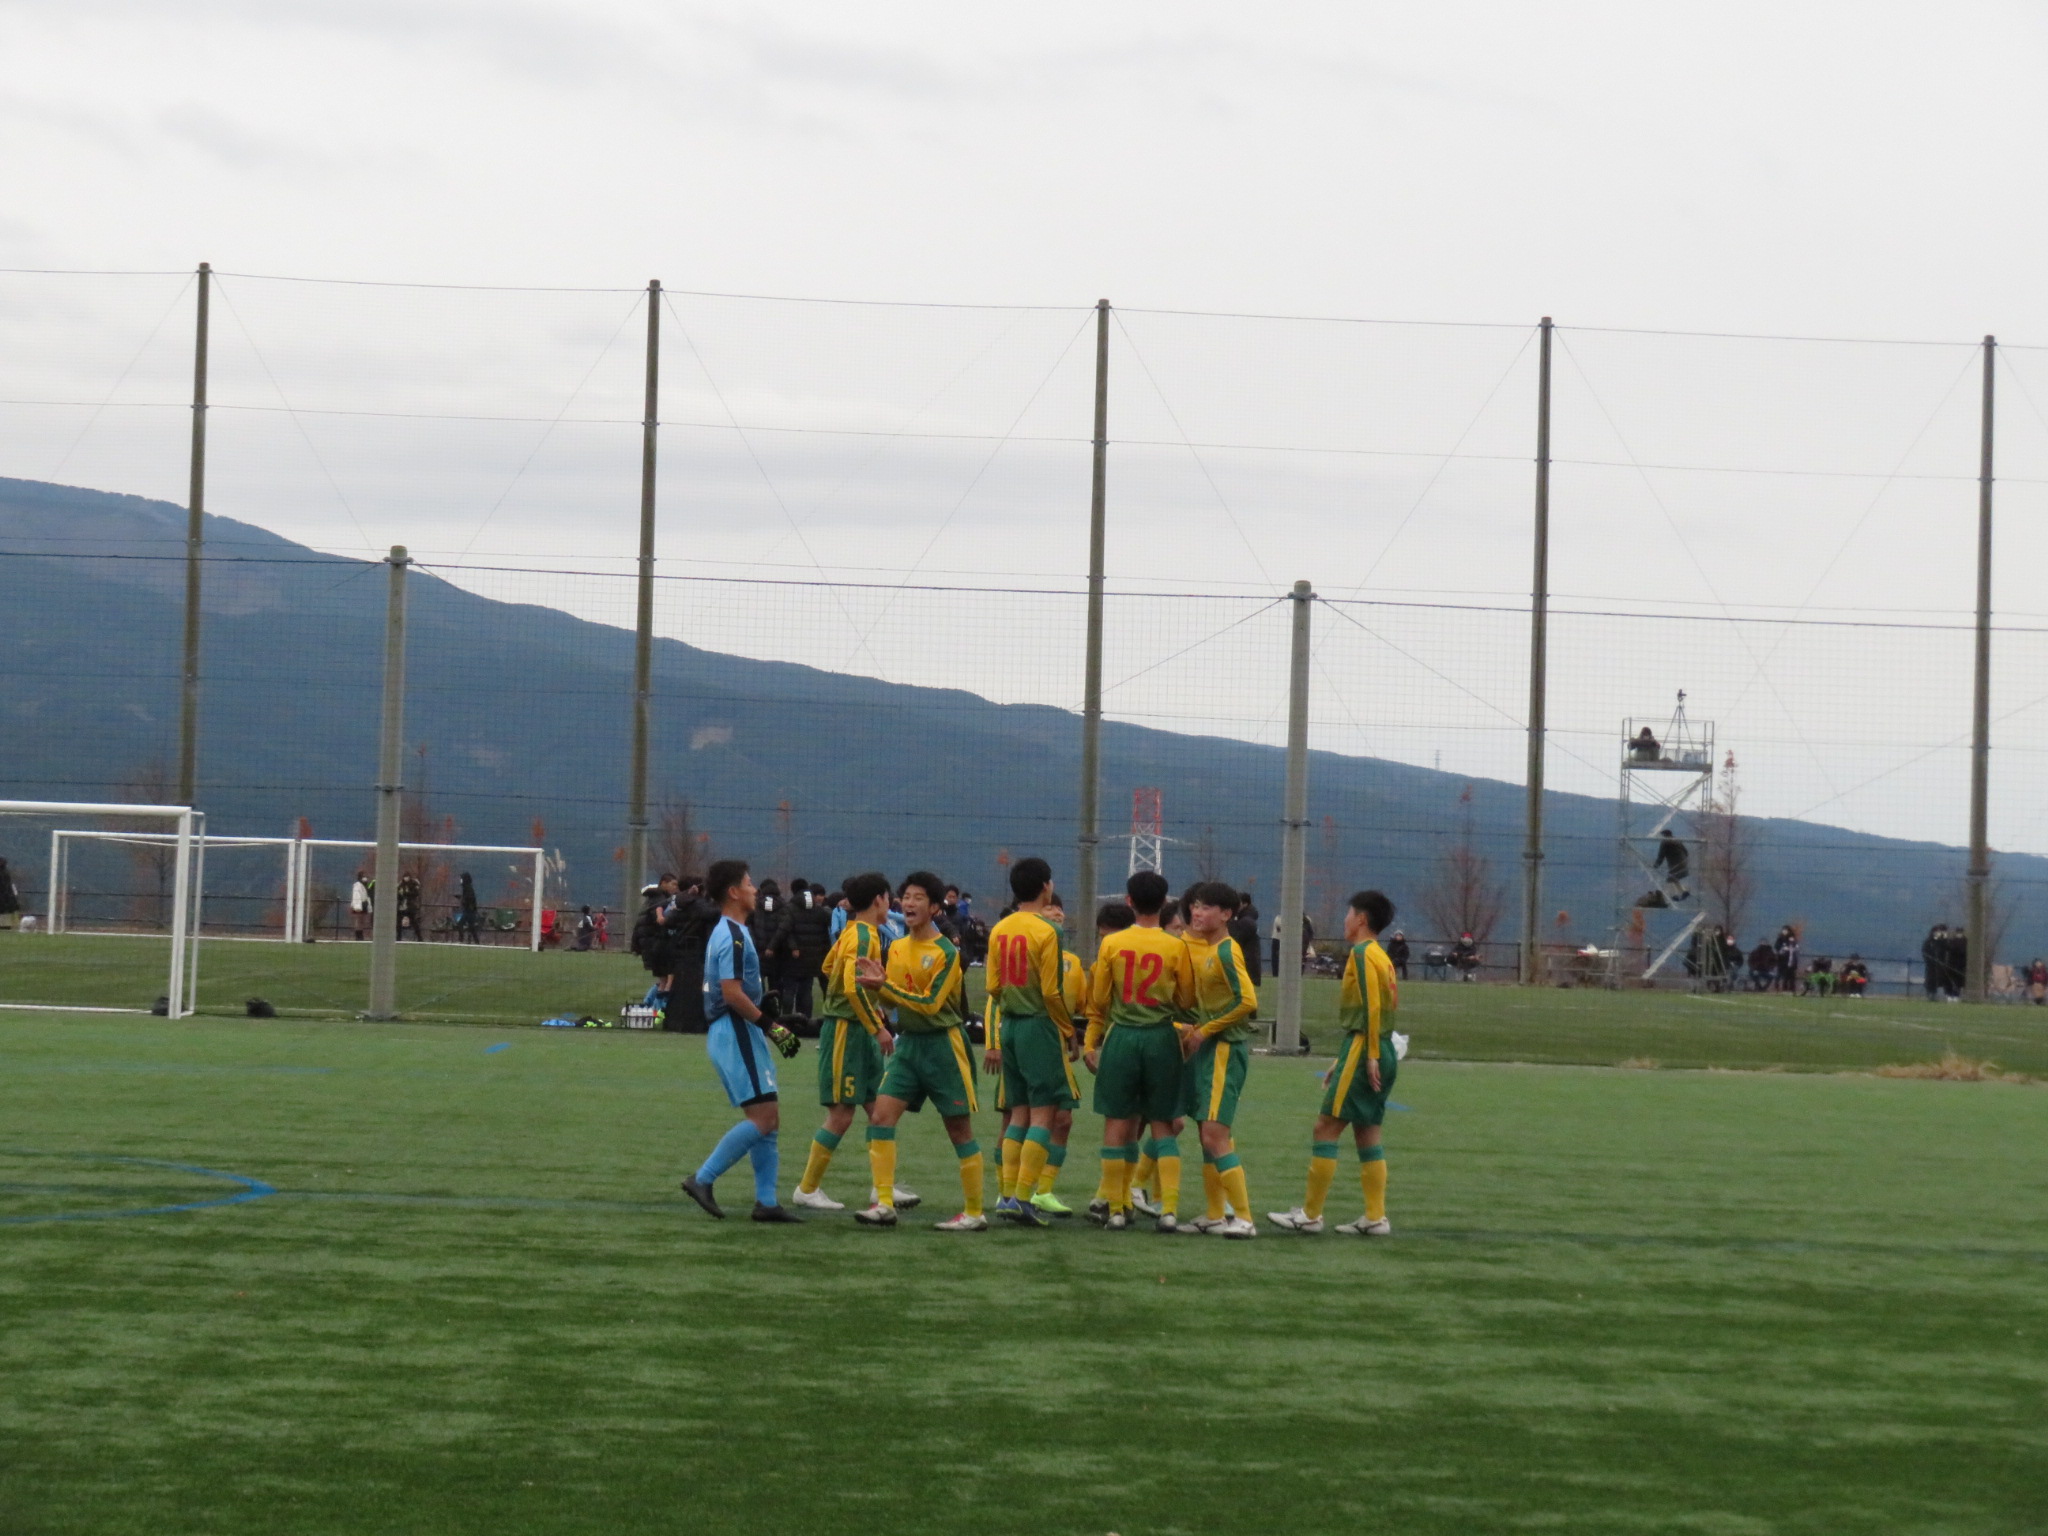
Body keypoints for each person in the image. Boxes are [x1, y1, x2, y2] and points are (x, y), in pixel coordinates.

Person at [850, 871, 986, 1231]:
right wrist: (876, 989)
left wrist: (885, 988)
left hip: (944, 1046)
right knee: (881, 1117)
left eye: (918, 898)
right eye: (906, 897)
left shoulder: (946, 952)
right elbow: (892, 998)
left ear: (935, 907)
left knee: (959, 1130)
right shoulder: (896, 948)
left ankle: (975, 1213)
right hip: (909, 1045)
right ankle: (883, 1204)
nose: (908, 903)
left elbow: (930, 1004)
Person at [678, 860, 803, 1224]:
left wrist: (765, 1008)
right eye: (749, 883)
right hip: (735, 1031)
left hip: (738, 1029)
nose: (754, 889)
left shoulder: (733, 931)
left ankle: (767, 1202)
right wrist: (771, 1026)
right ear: (733, 892)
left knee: (769, 1117)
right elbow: (731, 993)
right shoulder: (731, 934)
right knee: (764, 1118)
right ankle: (702, 1179)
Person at [1271, 888, 1401, 1236]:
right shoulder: (1382, 956)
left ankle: (1311, 1215)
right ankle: (1375, 1216)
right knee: (1367, 1131)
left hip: (1367, 1046)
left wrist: (1367, 1054)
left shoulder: (1362, 953)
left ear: (1361, 919)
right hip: (1380, 1046)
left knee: (1325, 1127)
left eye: (1349, 914)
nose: (1345, 920)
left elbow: (1372, 1005)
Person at [1084, 872, 1195, 1232]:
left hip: (1123, 1036)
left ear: (1129, 901)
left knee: (1118, 1122)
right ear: (1165, 903)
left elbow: (1100, 998)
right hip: (1161, 1037)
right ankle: (1169, 1210)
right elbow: (1186, 1000)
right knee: (1163, 1122)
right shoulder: (1176, 946)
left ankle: (1117, 1208)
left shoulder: (1113, 944)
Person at [792, 872, 898, 1213]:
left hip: (857, 1028)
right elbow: (853, 987)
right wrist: (877, 1026)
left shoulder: (852, 932)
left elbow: (828, 967)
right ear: (879, 899)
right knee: (841, 1113)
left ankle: (883, 1188)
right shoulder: (864, 936)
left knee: (878, 1110)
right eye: (889, 898)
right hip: (846, 1031)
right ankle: (807, 1189)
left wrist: (869, 1008)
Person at [981, 857, 1074, 1229]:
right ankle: (1022, 1197)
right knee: (1043, 1114)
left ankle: (1006, 1195)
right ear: (1046, 886)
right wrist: (1068, 1029)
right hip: (1038, 1025)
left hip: (1010, 1026)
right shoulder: (1048, 931)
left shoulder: (1000, 928)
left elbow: (992, 986)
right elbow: (1052, 992)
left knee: (1017, 1112)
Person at [1181, 882, 1260, 1238]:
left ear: (1226, 914)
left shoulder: (1228, 951)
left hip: (1226, 1050)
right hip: (1211, 1050)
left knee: (1215, 1135)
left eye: (1206, 907)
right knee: (1205, 1134)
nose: (1197, 913)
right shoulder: (1212, 949)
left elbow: (1248, 1001)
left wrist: (1206, 1030)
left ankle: (1243, 1218)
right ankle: (1215, 1214)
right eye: (1195, 906)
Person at [783, 879, 835, 1020]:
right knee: (806, 989)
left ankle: (786, 1019)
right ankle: (806, 1020)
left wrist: (792, 947)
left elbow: (785, 931)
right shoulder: (820, 911)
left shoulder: (790, 909)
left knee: (789, 989)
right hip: (814, 956)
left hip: (793, 956)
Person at [1230, 894, 1263, 988]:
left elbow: (1236, 939)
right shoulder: (1246, 919)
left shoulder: (1246, 922)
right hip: (1249, 961)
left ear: (1244, 904)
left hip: (1247, 962)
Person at [1653, 830, 1689, 899]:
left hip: (1675, 863)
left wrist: (1656, 865)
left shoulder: (1665, 842)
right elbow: (1686, 852)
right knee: (1674, 878)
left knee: (1670, 879)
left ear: (1664, 835)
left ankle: (1675, 895)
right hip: (1683, 862)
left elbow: (1661, 855)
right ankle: (1683, 891)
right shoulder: (1677, 840)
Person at [1921, 924, 1947, 1000]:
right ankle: (1930, 993)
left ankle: (1934, 994)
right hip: (1930, 965)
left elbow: (1944, 949)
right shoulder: (1928, 942)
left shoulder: (1940, 941)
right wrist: (1930, 960)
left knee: (1937, 979)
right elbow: (1925, 952)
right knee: (1930, 979)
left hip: (1938, 965)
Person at [456, 872, 481, 944]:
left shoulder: (468, 888)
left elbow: (470, 899)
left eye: (461, 879)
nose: (460, 880)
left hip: (469, 911)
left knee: (460, 924)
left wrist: (463, 900)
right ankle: (477, 942)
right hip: (470, 911)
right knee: (471, 927)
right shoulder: (467, 888)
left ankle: (461, 940)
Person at [396, 873, 423, 942]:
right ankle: (398, 937)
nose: (406, 878)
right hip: (402, 906)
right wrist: (400, 895)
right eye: (405, 877)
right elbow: (398, 895)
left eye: (407, 877)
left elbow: (415, 894)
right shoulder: (401, 885)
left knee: (414, 922)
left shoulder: (413, 884)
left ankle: (419, 938)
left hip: (410, 906)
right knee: (398, 922)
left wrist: (407, 893)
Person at [350, 871, 372, 940]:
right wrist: (357, 906)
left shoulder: (365, 885)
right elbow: (356, 895)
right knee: (358, 920)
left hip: (364, 904)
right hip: (359, 904)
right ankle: (358, 935)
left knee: (362, 920)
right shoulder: (357, 885)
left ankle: (361, 933)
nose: (365, 878)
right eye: (364, 876)